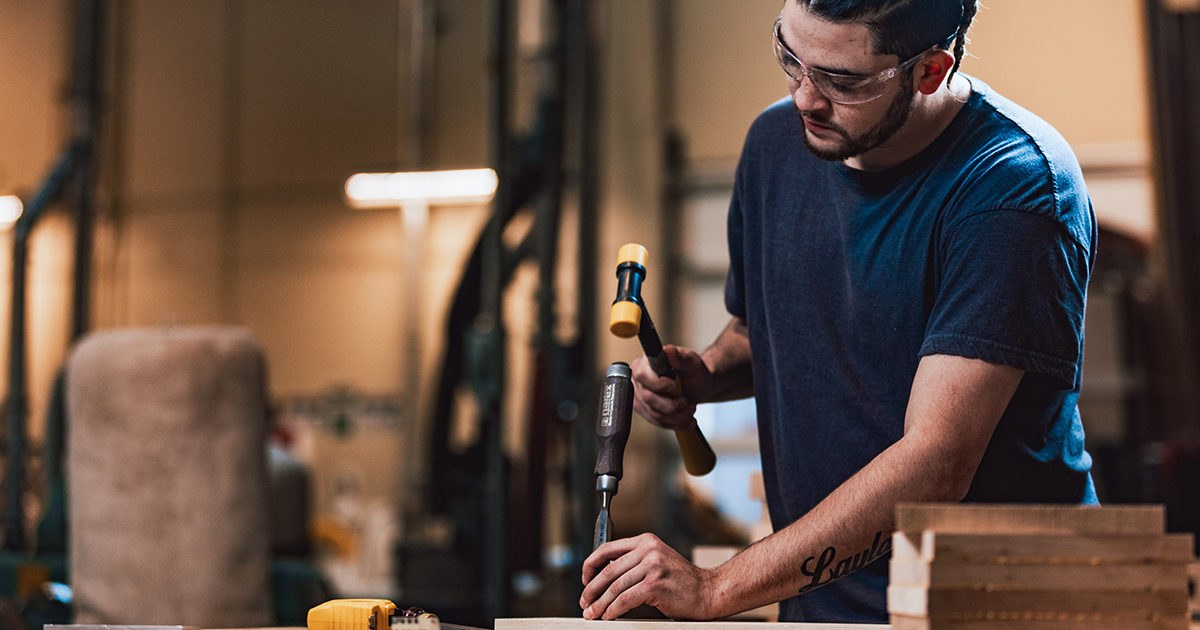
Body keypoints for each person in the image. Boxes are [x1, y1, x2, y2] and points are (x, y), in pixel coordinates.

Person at [579, 0, 1097, 624]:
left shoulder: (1011, 189)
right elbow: (764, 327)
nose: (805, 99)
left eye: (842, 81)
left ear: (931, 70)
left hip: (994, 609)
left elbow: (937, 465)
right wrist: (710, 373)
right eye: (791, 60)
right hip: (825, 602)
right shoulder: (775, 146)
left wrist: (716, 588)